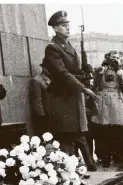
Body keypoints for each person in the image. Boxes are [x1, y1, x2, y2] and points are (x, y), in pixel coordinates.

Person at [42, 11, 97, 156]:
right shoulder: (53, 47)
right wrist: (84, 88)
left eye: (68, 24)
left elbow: (74, 70)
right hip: (62, 100)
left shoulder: (67, 45)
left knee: (72, 137)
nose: (67, 27)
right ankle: (69, 174)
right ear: (55, 28)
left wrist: (86, 70)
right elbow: (62, 73)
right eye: (63, 25)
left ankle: (73, 171)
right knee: (65, 139)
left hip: (71, 98)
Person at [29, 65, 51, 136]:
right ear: (44, 68)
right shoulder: (37, 80)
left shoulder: (52, 78)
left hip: (52, 116)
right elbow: (36, 100)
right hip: (44, 117)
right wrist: (42, 116)